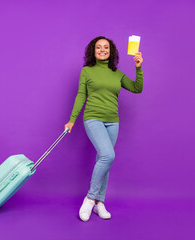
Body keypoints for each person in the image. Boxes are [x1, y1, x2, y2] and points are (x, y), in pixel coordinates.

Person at [64, 36, 144, 222]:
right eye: (98, 47)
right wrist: (72, 120)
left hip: (113, 121)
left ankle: (99, 203)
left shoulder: (117, 74)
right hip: (93, 118)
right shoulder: (87, 71)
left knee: (104, 160)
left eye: (105, 47)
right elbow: (81, 95)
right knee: (108, 156)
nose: (102, 50)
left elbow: (136, 88)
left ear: (111, 51)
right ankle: (90, 198)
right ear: (93, 51)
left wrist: (138, 67)